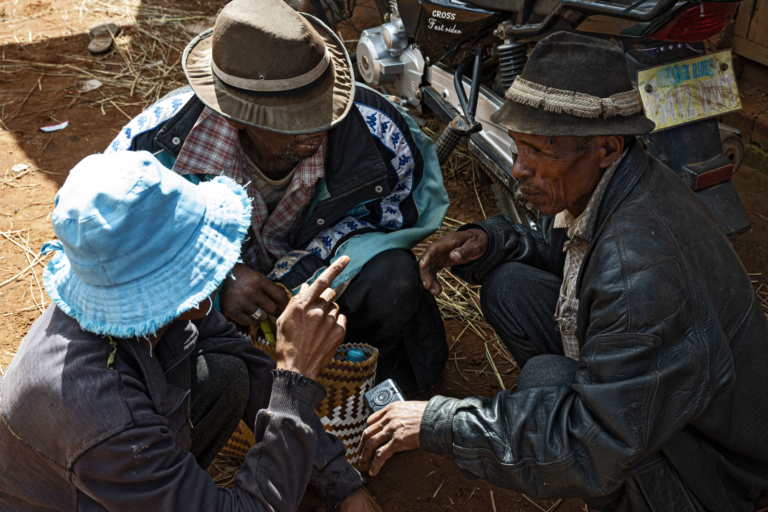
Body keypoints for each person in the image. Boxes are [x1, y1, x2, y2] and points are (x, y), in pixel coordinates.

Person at [359, 32, 768, 511]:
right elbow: (566, 249)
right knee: (509, 286)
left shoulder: (637, 273)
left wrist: (437, 422)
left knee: (546, 383)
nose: (519, 169)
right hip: (677, 405)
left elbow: (593, 444)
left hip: (720, 475)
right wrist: (491, 241)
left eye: (539, 151)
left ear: (606, 147)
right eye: (519, 147)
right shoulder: (624, 179)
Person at [0, 151, 378, 511]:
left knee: (228, 373)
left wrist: (341, 482)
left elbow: (248, 363)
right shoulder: (104, 413)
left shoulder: (138, 301)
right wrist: (296, 378)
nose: (222, 262)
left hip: (111, 461)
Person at [105, 0, 450, 393]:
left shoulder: (377, 130)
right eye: (293, 119)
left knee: (393, 277)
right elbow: (113, 250)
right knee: (204, 372)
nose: (316, 127)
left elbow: (400, 213)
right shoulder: (151, 149)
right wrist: (218, 278)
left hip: (327, 285)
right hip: (206, 311)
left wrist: (304, 278)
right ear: (235, 116)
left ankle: (347, 388)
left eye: (322, 107)